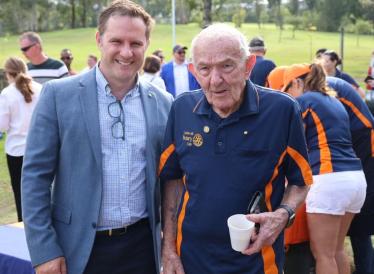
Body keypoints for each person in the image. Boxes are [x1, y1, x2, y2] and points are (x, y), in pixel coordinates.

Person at [21, 1, 173, 274]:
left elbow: (170, 179)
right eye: (117, 41)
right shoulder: (58, 95)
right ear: (99, 39)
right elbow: (35, 177)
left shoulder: (162, 102)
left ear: (147, 44)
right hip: (78, 249)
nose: (126, 52)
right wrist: (44, 250)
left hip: (142, 249)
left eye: (136, 43)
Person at [159, 24, 312, 274]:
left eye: (227, 66)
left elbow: (301, 181)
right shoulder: (182, 108)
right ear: (193, 72)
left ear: (249, 65)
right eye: (204, 69)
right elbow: (173, 179)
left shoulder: (281, 110)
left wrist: (283, 215)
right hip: (191, 260)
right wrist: (168, 249)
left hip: (258, 261)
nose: (215, 80)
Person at [282, 63, 367, 274]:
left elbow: (293, 143)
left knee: (323, 254)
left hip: (329, 178)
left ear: (297, 83)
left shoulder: (303, 101)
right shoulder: (334, 101)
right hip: (355, 178)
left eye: (286, 90)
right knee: (337, 250)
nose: (286, 96)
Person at [326, 76, 374, 274]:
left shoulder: (323, 92)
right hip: (354, 146)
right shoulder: (326, 87)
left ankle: (366, 268)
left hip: (364, 148)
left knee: (361, 218)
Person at [0, 57, 41, 222]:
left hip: (17, 151)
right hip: (40, 148)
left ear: (8, 73)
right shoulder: (40, 88)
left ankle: (24, 229)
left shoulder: (7, 93)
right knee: (41, 191)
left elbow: (2, 125)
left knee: (20, 193)